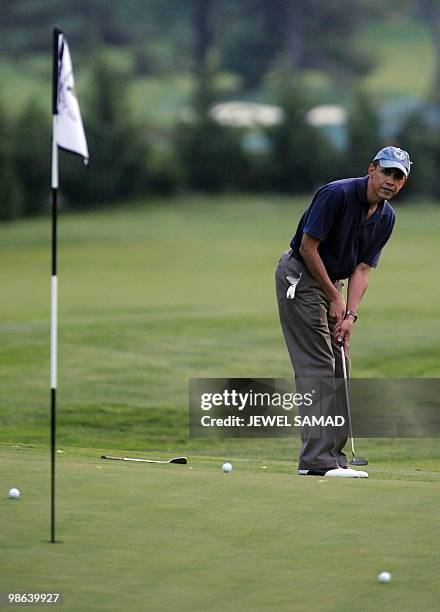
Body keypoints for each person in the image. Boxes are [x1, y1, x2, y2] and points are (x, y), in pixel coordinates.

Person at [275, 146, 411, 478]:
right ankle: (315, 460)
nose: (390, 181)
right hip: (299, 276)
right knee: (318, 364)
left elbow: (362, 270)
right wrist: (333, 296)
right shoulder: (335, 195)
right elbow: (308, 246)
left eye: (398, 177)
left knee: (341, 362)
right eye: (386, 172)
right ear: (371, 170)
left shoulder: (386, 217)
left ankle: (334, 458)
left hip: (330, 282)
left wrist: (350, 314)